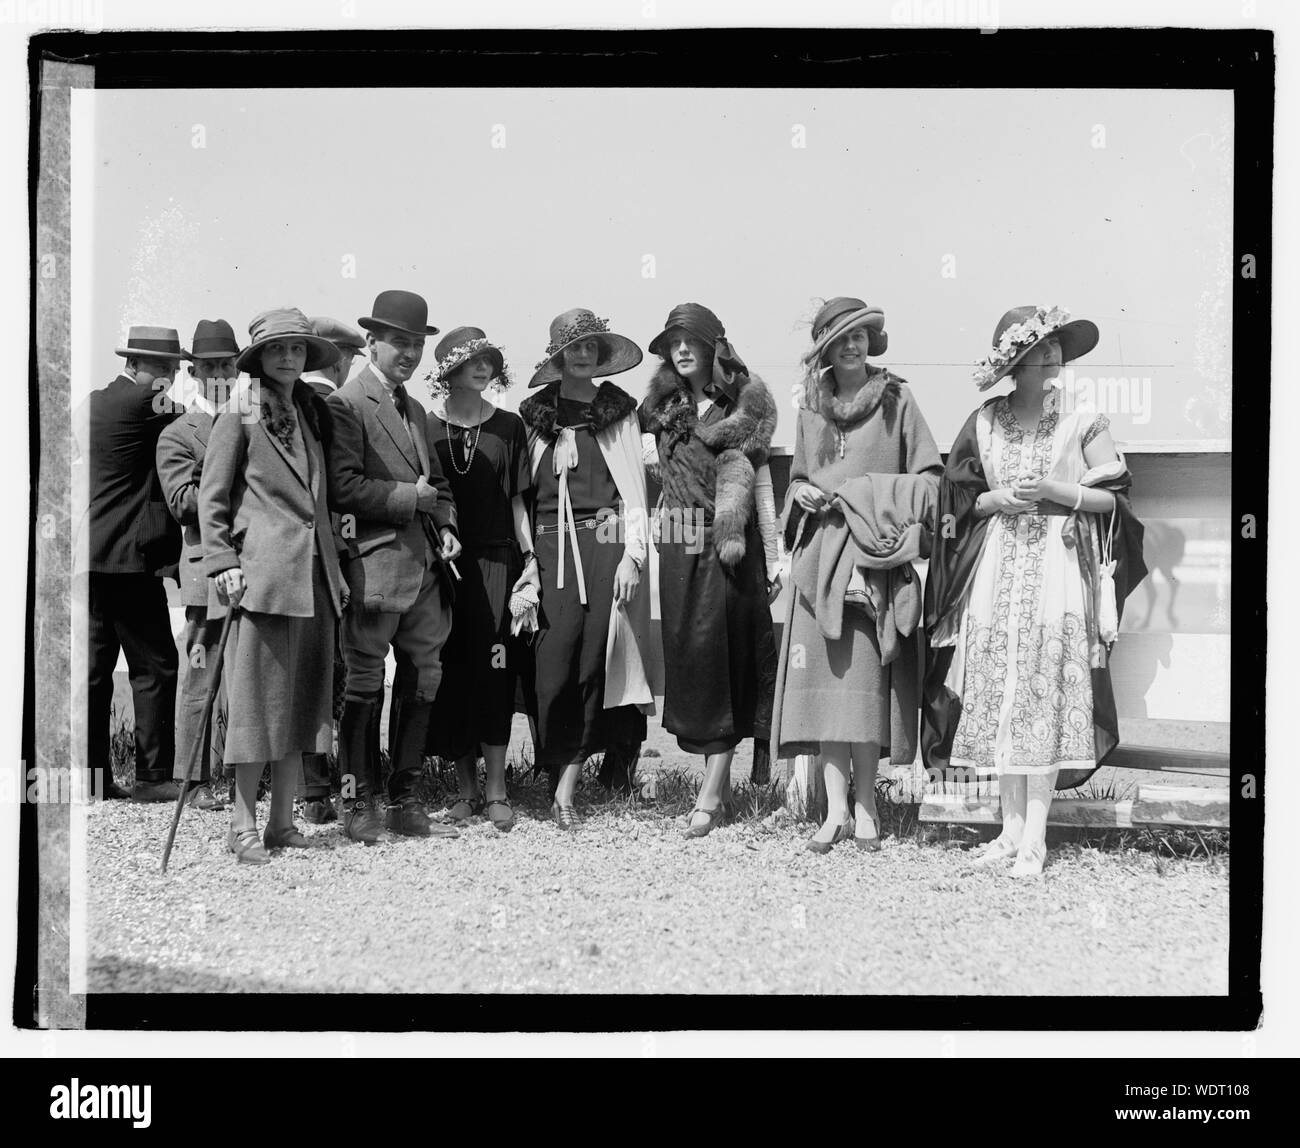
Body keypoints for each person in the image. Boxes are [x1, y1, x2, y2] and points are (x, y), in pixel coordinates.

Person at [923, 306, 1147, 877]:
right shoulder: (984, 422)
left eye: (1055, 352)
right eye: (1040, 353)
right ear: (1014, 364)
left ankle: (1036, 840)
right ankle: (1009, 829)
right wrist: (993, 501)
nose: (1052, 362)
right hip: (996, 566)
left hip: (1056, 563)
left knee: (1042, 688)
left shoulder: (1082, 421)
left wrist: (1059, 490)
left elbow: (1114, 499)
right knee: (1002, 688)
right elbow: (958, 500)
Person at [772, 298, 942, 854]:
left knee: (866, 689)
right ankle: (835, 812)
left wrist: (867, 496)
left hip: (871, 563)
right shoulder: (810, 407)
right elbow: (797, 480)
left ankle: (868, 807)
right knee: (825, 692)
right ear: (824, 348)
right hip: (819, 562)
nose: (853, 345)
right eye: (842, 338)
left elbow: (928, 480)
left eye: (862, 335)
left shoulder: (896, 399)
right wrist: (803, 492)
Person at [199, 308, 348, 864]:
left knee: (302, 707)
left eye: (298, 349)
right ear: (259, 357)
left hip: (311, 576)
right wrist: (221, 560)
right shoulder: (240, 411)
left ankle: (281, 824)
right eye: (278, 349)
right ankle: (241, 825)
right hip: (261, 578)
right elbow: (212, 496)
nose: (289, 357)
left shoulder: (309, 411)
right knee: (258, 708)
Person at [639, 303, 781, 838]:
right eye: (674, 340)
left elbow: (761, 486)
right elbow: (658, 476)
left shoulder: (743, 405)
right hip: (678, 550)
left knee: (727, 660)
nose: (681, 349)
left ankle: (711, 795)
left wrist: (776, 551)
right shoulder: (661, 409)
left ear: (713, 347)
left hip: (729, 548)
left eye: (690, 339)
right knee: (694, 664)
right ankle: (713, 787)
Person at [326, 290, 462, 843]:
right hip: (374, 567)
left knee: (424, 676)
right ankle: (359, 802)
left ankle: (406, 797)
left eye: (415, 343)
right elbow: (344, 486)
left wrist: (447, 526)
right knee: (363, 679)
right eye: (398, 342)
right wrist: (414, 499)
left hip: (426, 568)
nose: (407, 353)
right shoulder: (347, 404)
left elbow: (441, 487)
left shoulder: (416, 410)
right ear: (371, 343)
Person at [518, 308, 654, 827]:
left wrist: (633, 556)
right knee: (551, 663)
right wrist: (529, 557)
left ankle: (568, 789)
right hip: (550, 550)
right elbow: (521, 497)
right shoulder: (533, 414)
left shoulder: (618, 411)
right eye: (573, 347)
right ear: (557, 356)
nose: (583, 355)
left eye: (591, 347)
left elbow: (634, 492)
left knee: (595, 657)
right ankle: (553, 770)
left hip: (605, 541)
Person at [423, 327, 538, 832]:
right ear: (448, 369)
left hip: (495, 564)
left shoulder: (510, 426)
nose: (484, 367)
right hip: (444, 567)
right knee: (453, 673)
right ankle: (465, 790)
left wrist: (531, 560)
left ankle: (497, 789)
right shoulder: (425, 426)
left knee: (495, 672)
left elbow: (518, 503)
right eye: (472, 360)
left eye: (490, 359)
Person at [77, 325, 184, 802]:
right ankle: (154, 777)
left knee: (96, 670)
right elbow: (199, 427)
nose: (171, 379)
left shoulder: (93, 403)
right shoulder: (149, 405)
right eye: (164, 369)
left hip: (90, 555)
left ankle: (91, 780)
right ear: (137, 366)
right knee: (156, 666)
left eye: (175, 370)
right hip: (129, 558)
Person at [154, 319, 242, 810]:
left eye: (227, 365)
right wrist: (230, 477)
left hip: (253, 566)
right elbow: (183, 503)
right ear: (193, 370)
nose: (219, 374)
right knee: (201, 672)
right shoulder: (177, 433)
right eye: (209, 366)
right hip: (205, 568)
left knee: (247, 672)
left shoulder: (254, 421)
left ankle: (243, 774)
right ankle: (192, 780)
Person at [296, 316, 366, 824]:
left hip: (296, 559)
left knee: (302, 674)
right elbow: (340, 489)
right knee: (334, 676)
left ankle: (310, 788)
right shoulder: (331, 405)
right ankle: (329, 787)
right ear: (340, 357)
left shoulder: (295, 400)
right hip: (336, 559)